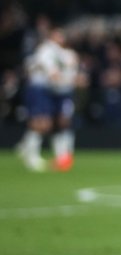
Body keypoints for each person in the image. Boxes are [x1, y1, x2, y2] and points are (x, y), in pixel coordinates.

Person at [16, 25, 80, 173]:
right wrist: (70, 79)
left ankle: (61, 156)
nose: (61, 37)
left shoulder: (65, 53)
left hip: (56, 91)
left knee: (59, 122)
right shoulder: (46, 50)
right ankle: (31, 156)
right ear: (52, 36)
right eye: (58, 35)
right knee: (42, 122)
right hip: (40, 89)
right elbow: (53, 74)